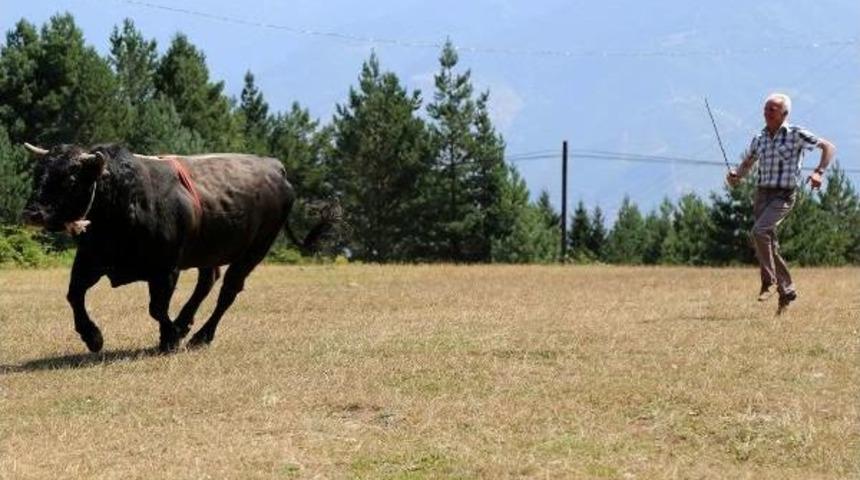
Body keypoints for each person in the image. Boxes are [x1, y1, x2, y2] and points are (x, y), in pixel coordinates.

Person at [726, 92, 836, 314]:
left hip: (784, 195)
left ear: (784, 114)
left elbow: (828, 147)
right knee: (768, 244)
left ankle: (769, 282)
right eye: (766, 109)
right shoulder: (759, 138)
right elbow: (748, 162)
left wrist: (819, 172)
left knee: (759, 231)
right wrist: (737, 175)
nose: (767, 113)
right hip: (762, 194)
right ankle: (786, 291)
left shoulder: (796, 134)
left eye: (772, 109)